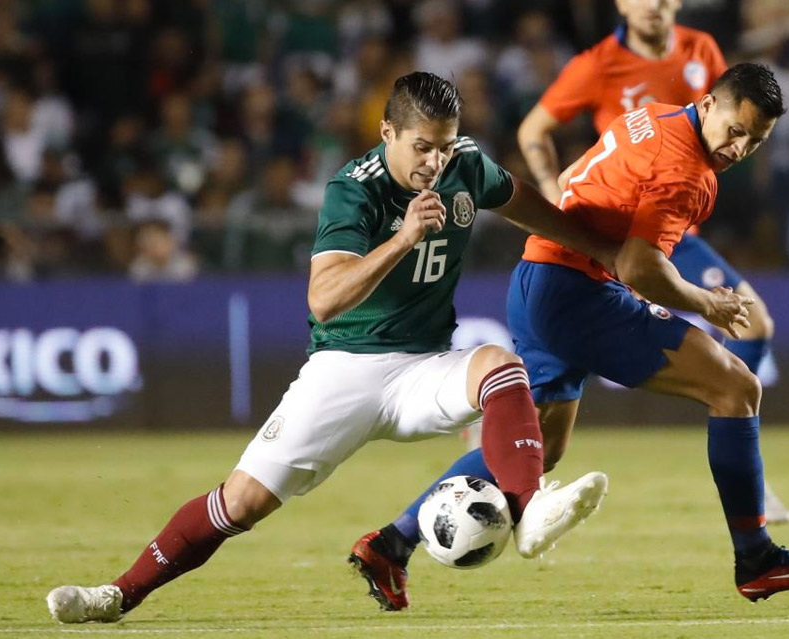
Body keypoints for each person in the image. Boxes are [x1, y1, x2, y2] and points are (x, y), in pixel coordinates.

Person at [44, 72, 613, 623]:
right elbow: (323, 299)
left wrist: (601, 253)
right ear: (387, 132)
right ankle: (116, 596)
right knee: (239, 504)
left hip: (424, 367)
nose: (434, 162)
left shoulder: (464, 164)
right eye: (421, 147)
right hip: (346, 370)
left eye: (442, 147)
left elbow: (524, 205)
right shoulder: (353, 189)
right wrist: (403, 237)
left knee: (500, 367)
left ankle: (528, 508)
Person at [352, 64, 789, 610]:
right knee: (735, 387)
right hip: (577, 294)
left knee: (540, 449)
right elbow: (639, 266)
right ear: (708, 106)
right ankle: (756, 557)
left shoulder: (654, 116)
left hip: (538, 279)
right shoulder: (683, 170)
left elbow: (569, 179)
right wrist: (705, 301)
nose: (740, 147)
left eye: (755, 140)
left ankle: (391, 543)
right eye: (735, 130)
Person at [515, 0, 789, 524]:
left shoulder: (701, 50)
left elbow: (740, 114)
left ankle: (741, 443)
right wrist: (561, 202)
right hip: (620, 230)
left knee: (752, 329)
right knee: (553, 419)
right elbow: (533, 131)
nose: (654, 5)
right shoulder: (596, 64)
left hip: (673, 230)